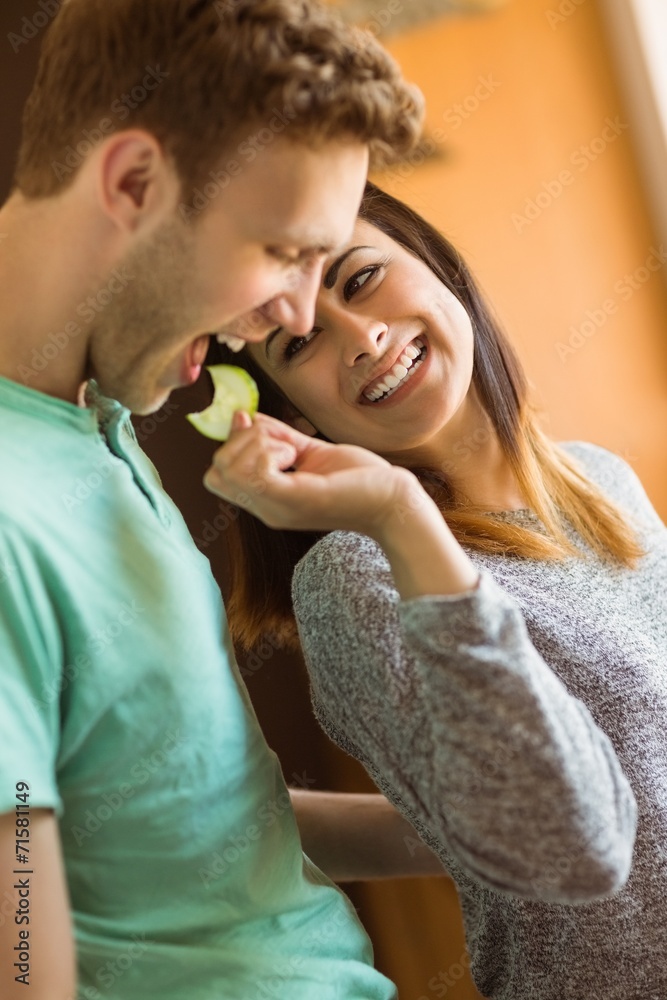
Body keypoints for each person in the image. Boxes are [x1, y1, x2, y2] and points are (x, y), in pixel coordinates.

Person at [0, 3, 426, 997]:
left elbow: (178, 823)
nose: (298, 312)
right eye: (285, 251)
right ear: (134, 182)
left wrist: (473, 834)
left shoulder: (87, 415)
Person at [205, 182, 667, 1000]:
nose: (361, 335)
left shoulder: (604, 481)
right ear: (292, 416)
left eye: (358, 279)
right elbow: (562, 847)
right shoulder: (359, 574)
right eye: (300, 342)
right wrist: (397, 510)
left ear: (437, 264)